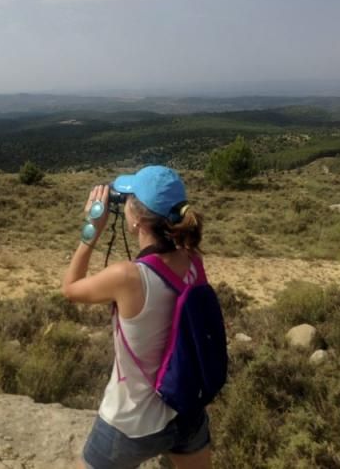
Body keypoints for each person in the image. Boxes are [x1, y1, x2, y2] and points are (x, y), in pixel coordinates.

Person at [61, 166, 211, 469]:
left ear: (136, 219)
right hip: (187, 410)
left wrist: (92, 228)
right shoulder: (194, 260)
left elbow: (70, 289)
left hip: (130, 422)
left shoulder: (127, 276)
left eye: (127, 199)